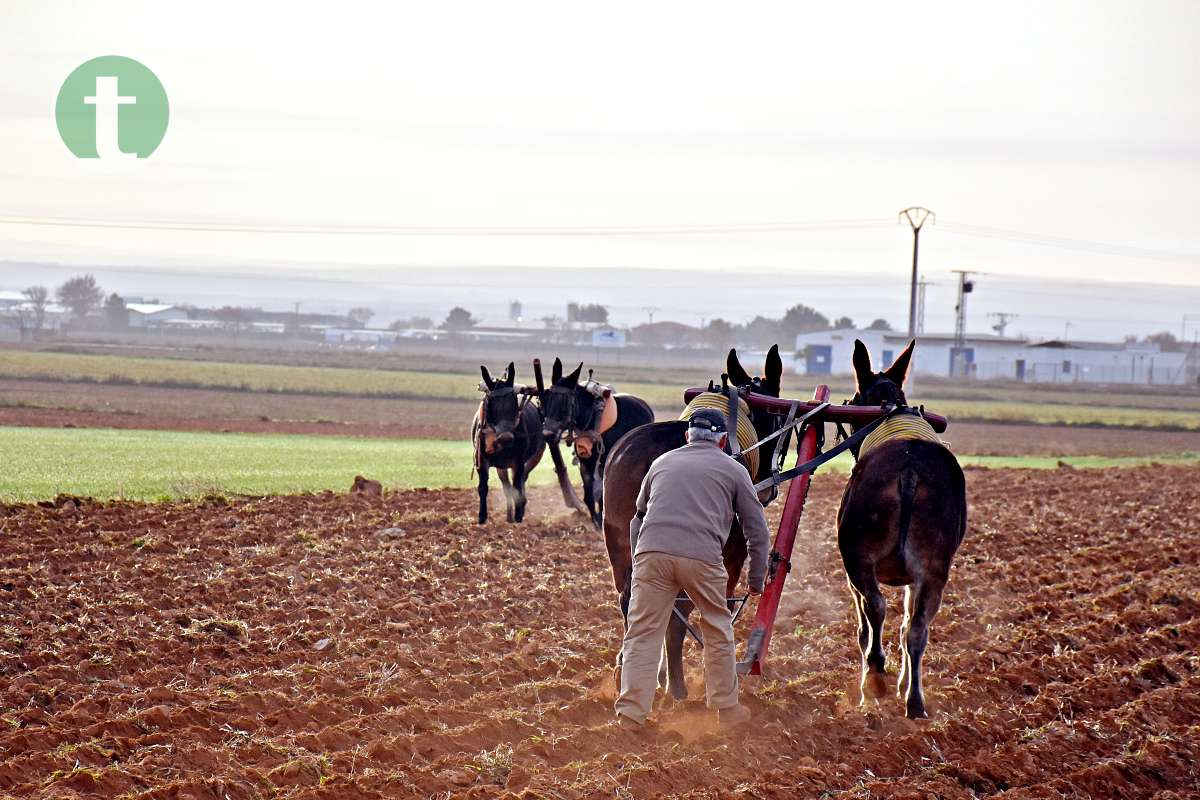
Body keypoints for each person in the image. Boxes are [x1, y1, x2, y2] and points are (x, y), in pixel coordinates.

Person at [614, 408, 771, 730]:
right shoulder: (734, 469)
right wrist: (756, 578)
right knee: (717, 629)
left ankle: (630, 714)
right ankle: (727, 709)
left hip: (652, 555)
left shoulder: (661, 463)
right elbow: (757, 529)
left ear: (687, 436)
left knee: (642, 633)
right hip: (702, 559)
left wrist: (638, 561)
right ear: (723, 440)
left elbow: (638, 518)